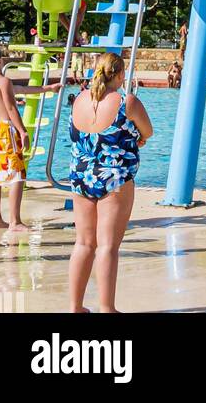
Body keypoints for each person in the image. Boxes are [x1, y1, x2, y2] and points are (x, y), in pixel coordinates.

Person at [68, 52, 153, 313]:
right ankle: (107, 308)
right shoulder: (127, 102)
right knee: (107, 246)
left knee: (83, 243)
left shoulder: (80, 99)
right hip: (114, 177)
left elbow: (77, 133)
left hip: (81, 175)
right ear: (119, 74)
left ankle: (75, 307)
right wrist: (137, 137)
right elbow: (147, 131)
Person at [0, 44, 65, 232]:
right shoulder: (3, 81)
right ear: (0, 62)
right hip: (5, 130)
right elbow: (11, 108)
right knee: (17, 175)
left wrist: (48, 88)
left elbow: (21, 89)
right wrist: (23, 131)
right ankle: (15, 221)